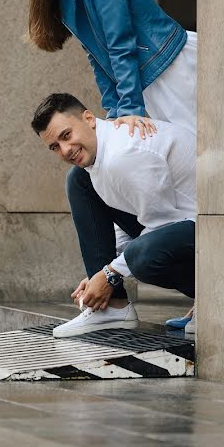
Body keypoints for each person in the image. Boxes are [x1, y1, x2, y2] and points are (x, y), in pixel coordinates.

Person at [28, 0, 198, 328]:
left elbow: (121, 43)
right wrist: (117, 112)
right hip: (141, 81)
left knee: (201, 174)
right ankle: (125, 307)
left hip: (167, 72)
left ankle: (212, 295)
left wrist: (132, 111)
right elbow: (99, 58)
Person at [31, 93, 196, 337]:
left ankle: (216, 296)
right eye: (55, 147)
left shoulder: (122, 154)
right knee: (79, 180)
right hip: (179, 222)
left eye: (67, 135)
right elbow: (134, 218)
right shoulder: (101, 154)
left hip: (214, 230)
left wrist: (109, 274)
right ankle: (111, 308)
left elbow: (162, 226)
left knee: (141, 257)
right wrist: (99, 275)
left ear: (89, 118)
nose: (65, 151)